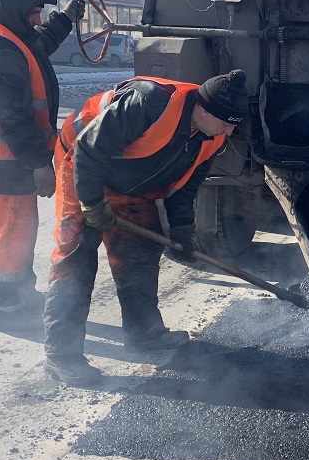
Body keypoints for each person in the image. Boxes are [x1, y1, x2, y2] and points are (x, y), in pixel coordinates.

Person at [42, 70, 249, 386]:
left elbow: (187, 186)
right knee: (76, 260)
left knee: (139, 252)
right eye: (227, 123)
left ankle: (143, 334)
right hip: (83, 170)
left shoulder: (213, 135)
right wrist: (93, 204)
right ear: (205, 111)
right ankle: (62, 357)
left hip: (132, 185)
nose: (231, 131)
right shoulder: (148, 102)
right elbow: (88, 149)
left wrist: (182, 230)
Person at [0, 0, 85, 331]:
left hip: (5, 159)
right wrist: (39, 164)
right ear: (16, 9)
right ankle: (5, 306)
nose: (38, 20)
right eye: (35, 13)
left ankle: (18, 295)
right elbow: (11, 117)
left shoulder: (7, 34)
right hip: (5, 160)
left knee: (20, 226)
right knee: (12, 230)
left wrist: (65, 19)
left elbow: (38, 44)